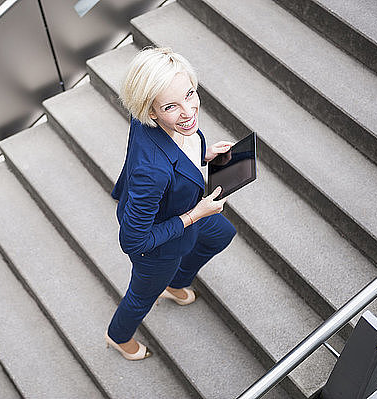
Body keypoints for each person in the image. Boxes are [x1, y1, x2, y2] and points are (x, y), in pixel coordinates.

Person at [104, 47, 237, 360]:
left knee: (221, 234)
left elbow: (179, 147)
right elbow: (133, 240)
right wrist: (195, 215)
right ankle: (118, 336)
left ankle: (175, 283)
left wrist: (204, 154)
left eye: (190, 94)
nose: (188, 111)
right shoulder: (152, 172)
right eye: (171, 106)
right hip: (159, 244)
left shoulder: (162, 121)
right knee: (141, 295)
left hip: (181, 207)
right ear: (151, 112)